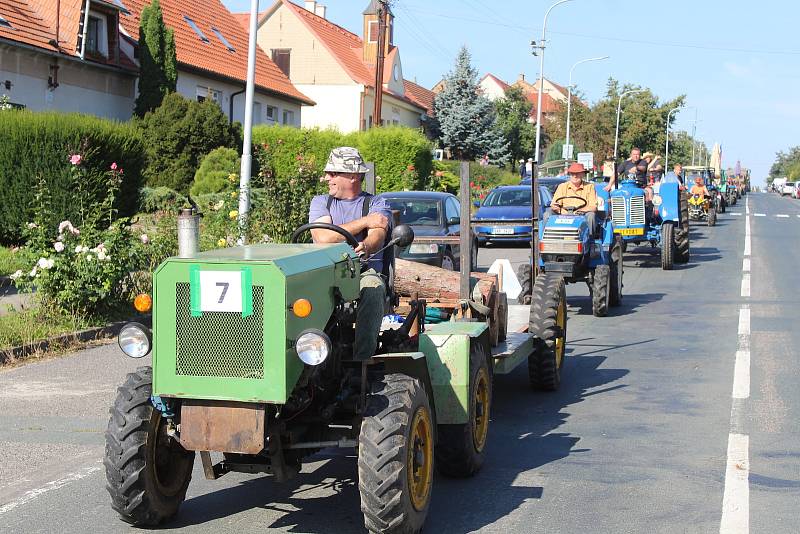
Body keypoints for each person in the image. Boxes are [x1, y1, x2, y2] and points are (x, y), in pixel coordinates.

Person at [308, 147, 393, 361]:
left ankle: (361, 362)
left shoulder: (376, 203)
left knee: (373, 288)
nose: (326, 178)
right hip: (325, 272)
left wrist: (366, 246)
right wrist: (364, 222)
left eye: (333, 173)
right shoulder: (320, 202)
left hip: (364, 272)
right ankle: (305, 357)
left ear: (353, 176)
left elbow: (377, 235)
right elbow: (323, 238)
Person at [548, 162, 598, 234]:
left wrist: (579, 211)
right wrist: (559, 210)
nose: (575, 176)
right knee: (548, 213)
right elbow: (554, 205)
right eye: (572, 173)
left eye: (577, 173)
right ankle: (547, 238)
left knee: (591, 215)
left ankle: (589, 239)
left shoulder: (590, 187)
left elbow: (593, 207)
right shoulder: (562, 186)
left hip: (582, 215)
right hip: (563, 214)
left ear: (583, 174)